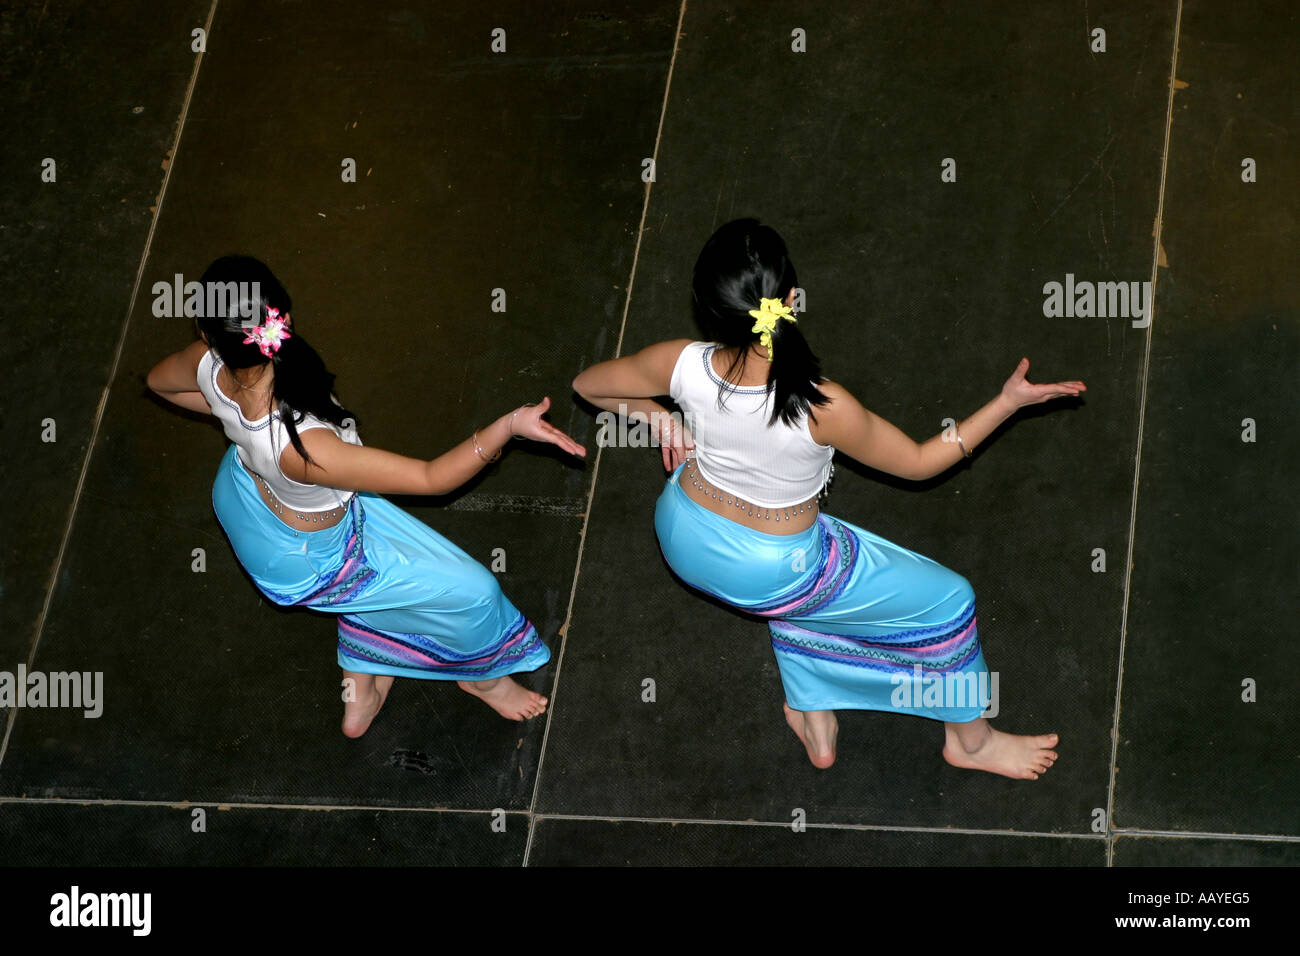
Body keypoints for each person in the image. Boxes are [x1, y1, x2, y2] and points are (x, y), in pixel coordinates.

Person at [572, 219, 1085, 777]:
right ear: (790, 299)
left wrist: (663, 421)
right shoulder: (822, 406)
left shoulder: (676, 361)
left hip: (681, 532)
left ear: (709, 310)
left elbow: (588, 385)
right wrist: (1007, 402)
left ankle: (813, 709)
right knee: (948, 602)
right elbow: (918, 463)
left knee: (807, 588)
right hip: (774, 568)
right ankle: (972, 742)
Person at [147, 256, 586, 738]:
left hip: (249, 499)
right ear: (283, 316)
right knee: (473, 594)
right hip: (315, 556)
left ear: (210, 336)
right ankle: (481, 681)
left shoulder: (207, 362)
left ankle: (363, 687)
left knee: (386, 583)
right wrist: (507, 427)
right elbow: (431, 477)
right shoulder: (306, 449)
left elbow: (158, 383)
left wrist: (228, 414)